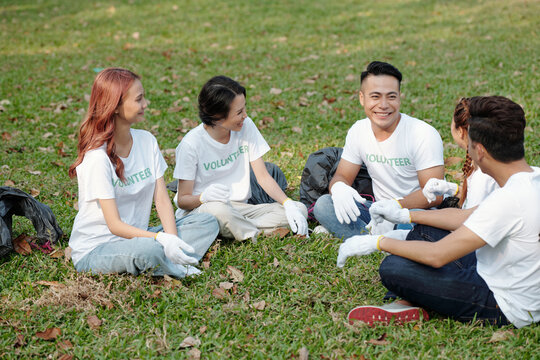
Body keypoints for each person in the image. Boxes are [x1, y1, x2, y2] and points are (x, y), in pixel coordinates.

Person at [339, 96, 540, 328]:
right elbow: (469, 216)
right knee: (426, 229)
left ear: (480, 150)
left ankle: (405, 301)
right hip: (502, 268)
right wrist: (407, 214)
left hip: (504, 304)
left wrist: (377, 242)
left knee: (393, 267)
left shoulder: (508, 199)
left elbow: (437, 255)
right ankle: (412, 299)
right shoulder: (529, 177)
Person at [68, 68, 219, 279]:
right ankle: (163, 261)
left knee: (207, 222)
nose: (145, 104)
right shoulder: (97, 159)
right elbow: (114, 225)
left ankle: (167, 259)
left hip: (138, 238)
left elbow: (163, 201)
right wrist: (159, 239)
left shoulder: (147, 141)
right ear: (116, 106)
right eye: (139, 99)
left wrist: (172, 240)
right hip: (98, 248)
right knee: (151, 250)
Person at [313, 61, 445, 239]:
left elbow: (435, 196)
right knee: (323, 205)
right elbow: (342, 176)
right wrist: (338, 188)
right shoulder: (358, 131)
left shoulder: (422, 134)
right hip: (375, 211)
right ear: (362, 98)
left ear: (399, 97)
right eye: (375, 97)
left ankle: (369, 239)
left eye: (391, 97)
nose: (383, 105)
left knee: (409, 227)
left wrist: (396, 207)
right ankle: (378, 239)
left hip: (413, 213)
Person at [173, 75, 308, 241]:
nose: (245, 115)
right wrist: (203, 197)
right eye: (239, 112)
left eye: (244, 108)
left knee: (299, 208)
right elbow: (183, 201)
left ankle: (236, 229)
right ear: (217, 116)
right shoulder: (191, 144)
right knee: (220, 212)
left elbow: (263, 177)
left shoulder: (246, 126)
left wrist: (287, 203)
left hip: (239, 208)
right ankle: (253, 233)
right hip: (204, 209)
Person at [365, 97, 499, 236]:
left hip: (465, 239)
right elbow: (477, 199)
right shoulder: (479, 161)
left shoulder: (482, 175)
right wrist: (452, 189)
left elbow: (469, 224)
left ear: (460, 131)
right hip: (464, 222)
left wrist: (405, 217)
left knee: (407, 223)